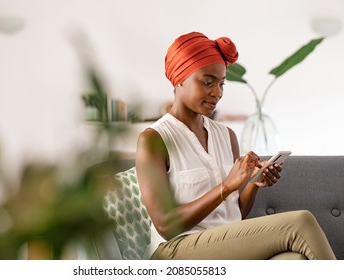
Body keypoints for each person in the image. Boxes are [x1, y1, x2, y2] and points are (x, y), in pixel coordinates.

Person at [135, 31, 336, 260]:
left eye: (221, 84)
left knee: (295, 261)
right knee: (300, 222)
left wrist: (252, 184)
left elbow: (234, 213)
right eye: (208, 82)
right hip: (175, 249)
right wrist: (227, 186)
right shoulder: (153, 139)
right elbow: (165, 225)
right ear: (179, 78)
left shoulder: (226, 135)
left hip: (224, 241)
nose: (217, 93)